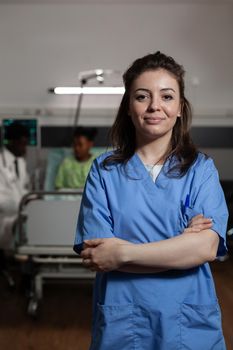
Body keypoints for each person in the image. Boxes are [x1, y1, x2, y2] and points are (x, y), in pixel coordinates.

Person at [74, 52, 228, 349]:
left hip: (188, 320)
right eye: (142, 96)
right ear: (128, 107)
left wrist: (123, 254)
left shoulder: (201, 170)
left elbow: (205, 247)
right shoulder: (104, 171)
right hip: (124, 319)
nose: (155, 106)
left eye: (167, 96)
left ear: (180, 108)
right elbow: (99, 254)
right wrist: (180, 246)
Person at [0, 122, 29, 249]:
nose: (25, 148)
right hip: (4, 215)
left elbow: (22, 188)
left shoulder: (20, 162)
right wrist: (21, 204)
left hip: (18, 214)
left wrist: (29, 200)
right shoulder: (0, 162)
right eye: (22, 144)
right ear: (11, 142)